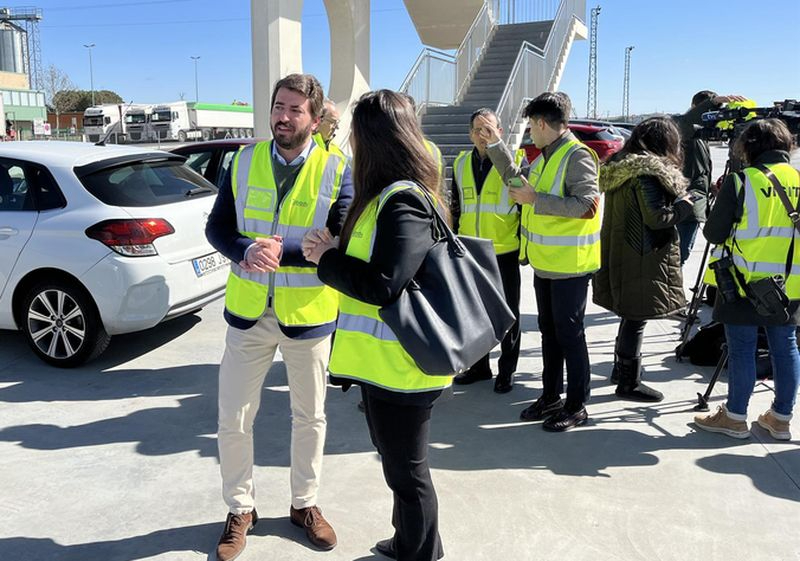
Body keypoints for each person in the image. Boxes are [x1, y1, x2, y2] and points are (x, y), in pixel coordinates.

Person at [205, 73, 353, 560]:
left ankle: (304, 504)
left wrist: (280, 251)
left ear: (315, 118)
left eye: (294, 110)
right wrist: (244, 249)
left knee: (309, 417)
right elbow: (217, 227)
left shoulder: (339, 169)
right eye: (277, 106)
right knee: (233, 418)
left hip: (307, 313)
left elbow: (339, 239)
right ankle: (240, 509)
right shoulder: (243, 161)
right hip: (248, 313)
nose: (282, 117)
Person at [303, 89, 450, 561]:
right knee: (400, 471)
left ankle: (419, 552)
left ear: (374, 141)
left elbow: (384, 284)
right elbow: (380, 265)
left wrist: (327, 261)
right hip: (384, 367)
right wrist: (337, 247)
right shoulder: (386, 198)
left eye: (355, 136)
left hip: (402, 368)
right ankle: (410, 541)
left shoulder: (402, 201)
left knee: (408, 475)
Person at [477, 91, 600, 431]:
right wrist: (497, 147)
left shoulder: (577, 156)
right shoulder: (546, 155)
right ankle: (551, 396)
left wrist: (536, 200)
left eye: (531, 124)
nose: (530, 131)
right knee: (549, 333)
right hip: (547, 263)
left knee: (570, 336)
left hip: (570, 266)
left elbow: (587, 205)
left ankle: (577, 405)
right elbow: (518, 182)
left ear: (543, 123)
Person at [694, 118, 800, 440]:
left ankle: (735, 416)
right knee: (786, 346)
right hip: (789, 283)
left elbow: (713, 232)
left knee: (742, 348)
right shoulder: (797, 179)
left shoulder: (742, 181)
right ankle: (781, 418)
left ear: (749, 147)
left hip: (743, 283)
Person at [593, 117, 694, 402]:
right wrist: (684, 206)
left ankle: (621, 370)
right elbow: (658, 218)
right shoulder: (647, 172)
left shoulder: (620, 168)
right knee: (635, 319)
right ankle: (628, 381)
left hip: (625, 251)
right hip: (643, 255)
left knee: (629, 317)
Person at [450, 108, 526, 393]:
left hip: (504, 251)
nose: (483, 136)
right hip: (472, 250)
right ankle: (480, 367)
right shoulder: (459, 164)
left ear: (500, 133)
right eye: (478, 130)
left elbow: (523, 200)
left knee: (509, 314)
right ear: (470, 134)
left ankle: (507, 371)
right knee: (476, 314)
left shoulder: (514, 162)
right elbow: (456, 206)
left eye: (489, 129)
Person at [673, 91, 747, 266]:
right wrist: (713, 103)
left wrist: (711, 186)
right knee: (677, 256)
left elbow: (696, 170)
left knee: (681, 255)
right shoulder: (682, 127)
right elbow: (686, 122)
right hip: (683, 204)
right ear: (695, 108)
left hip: (695, 202)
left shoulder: (701, 136)